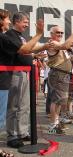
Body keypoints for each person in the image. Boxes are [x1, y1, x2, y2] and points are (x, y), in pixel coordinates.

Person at [0, 9, 44, 151]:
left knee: (24, 105)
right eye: (25, 22)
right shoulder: (10, 35)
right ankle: (12, 136)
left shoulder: (20, 36)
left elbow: (28, 50)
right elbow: (24, 50)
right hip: (14, 73)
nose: (27, 24)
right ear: (16, 22)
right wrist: (38, 34)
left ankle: (22, 132)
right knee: (14, 105)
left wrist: (42, 48)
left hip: (25, 74)